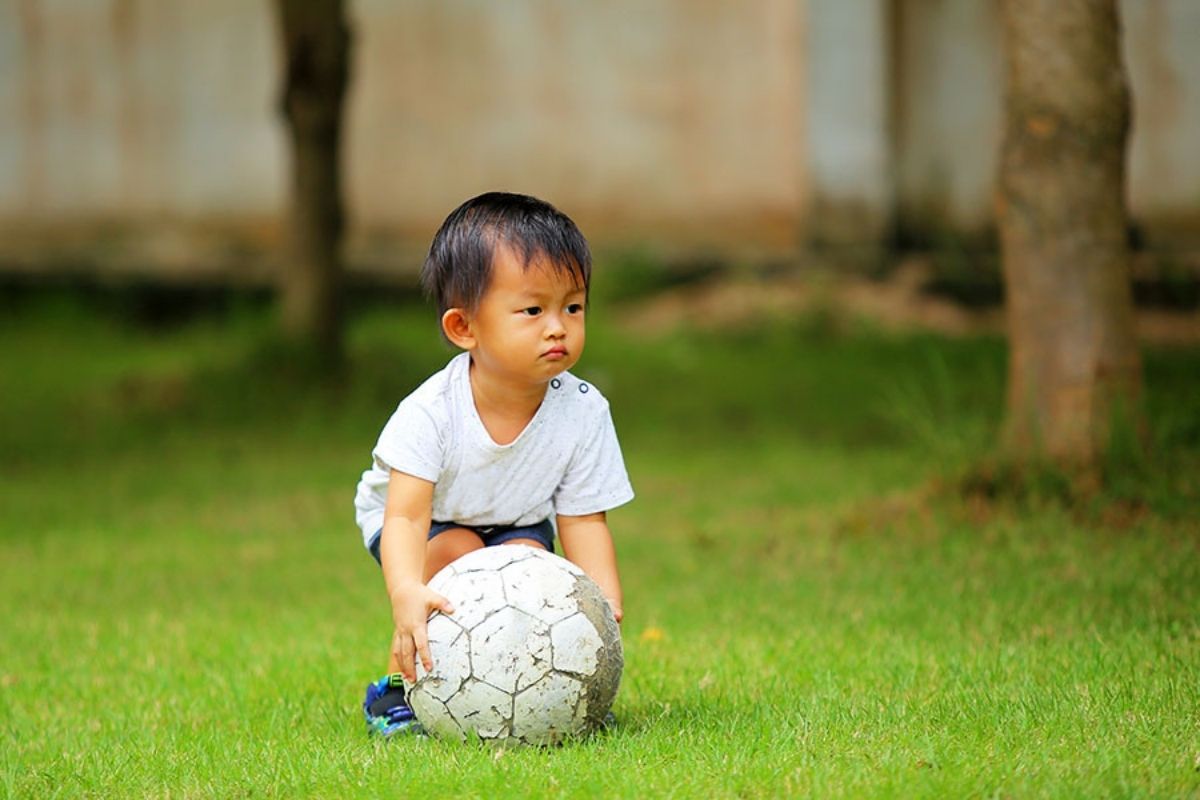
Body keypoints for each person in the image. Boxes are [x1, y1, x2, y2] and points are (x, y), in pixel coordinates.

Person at [353, 192, 635, 736]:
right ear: (464, 329)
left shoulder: (583, 410)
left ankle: (551, 693)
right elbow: (405, 517)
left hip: (515, 514)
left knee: (531, 566)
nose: (557, 327)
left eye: (572, 307)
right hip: (417, 522)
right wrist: (405, 592)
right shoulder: (430, 413)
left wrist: (600, 598)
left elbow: (583, 517)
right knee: (456, 558)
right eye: (533, 310)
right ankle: (399, 689)